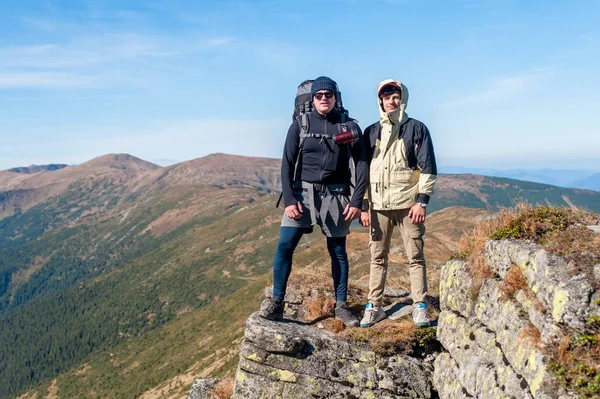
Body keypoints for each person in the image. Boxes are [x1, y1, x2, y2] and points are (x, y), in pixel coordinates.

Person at [259, 76, 368, 327]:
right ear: (312, 99)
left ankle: (341, 306)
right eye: (318, 95)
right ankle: (277, 302)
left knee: (338, 250)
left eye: (328, 95)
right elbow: (287, 163)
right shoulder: (300, 124)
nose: (323, 99)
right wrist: (289, 199)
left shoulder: (349, 126)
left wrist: (357, 200)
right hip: (301, 195)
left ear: (335, 98)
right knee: (285, 245)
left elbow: (361, 164)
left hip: (337, 196)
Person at [359, 79, 437, 328]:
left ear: (403, 100)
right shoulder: (371, 132)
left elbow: (428, 167)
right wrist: (363, 205)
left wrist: (421, 201)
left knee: (415, 256)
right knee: (377, 257)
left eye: (396, 97)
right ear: (380, 101)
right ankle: (374, 306)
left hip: (407, 205)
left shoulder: (416, 128)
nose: (391, 101)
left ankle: (420, 306)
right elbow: (363, 171)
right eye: (387, 97)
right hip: (378, 205)